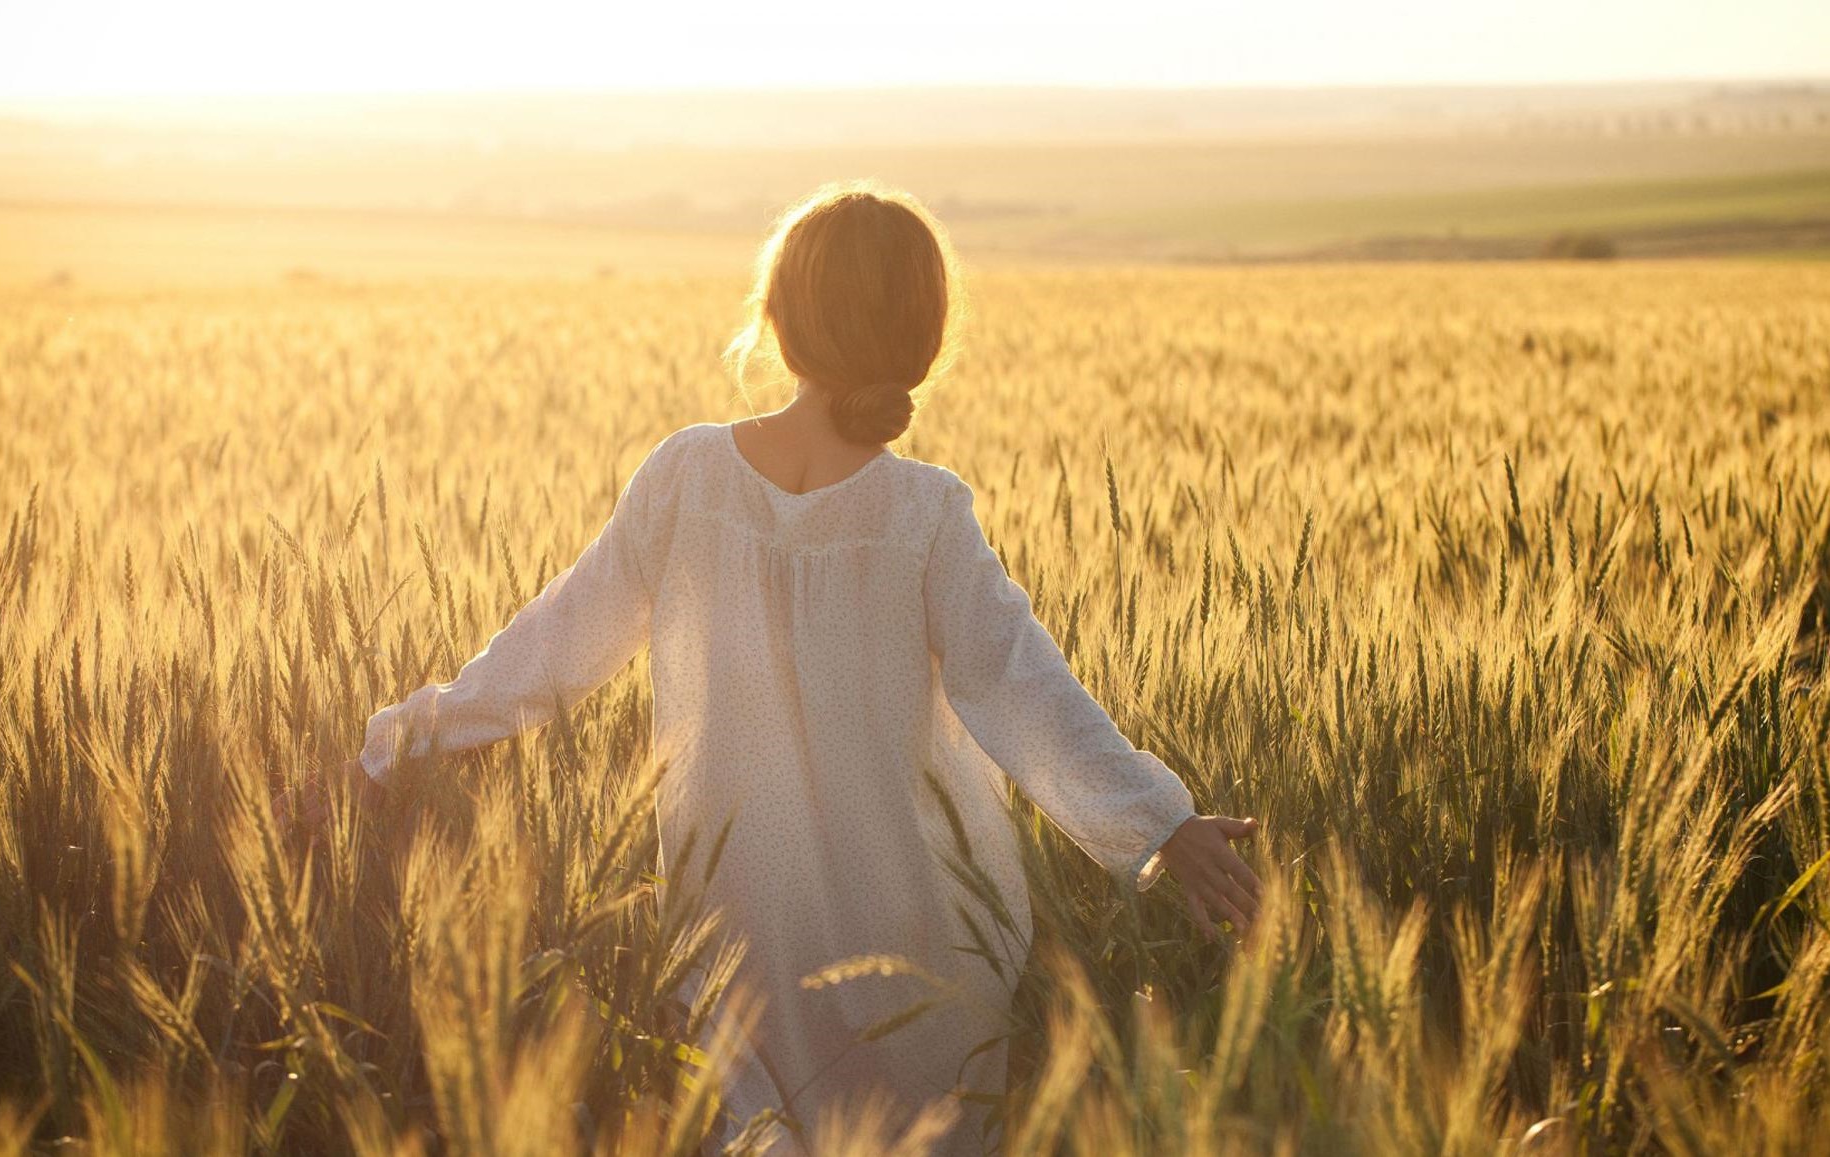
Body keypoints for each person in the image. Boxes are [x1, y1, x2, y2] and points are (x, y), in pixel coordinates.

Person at [285, 179, 1263, 1155]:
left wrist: (402, 741)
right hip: (915, 927)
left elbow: (556, 641)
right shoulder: (924, 512)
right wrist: (1157, 822)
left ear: (781, 323)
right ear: (922, 336)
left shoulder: (687, 476)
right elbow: (1021, 682)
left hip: (736, 923)